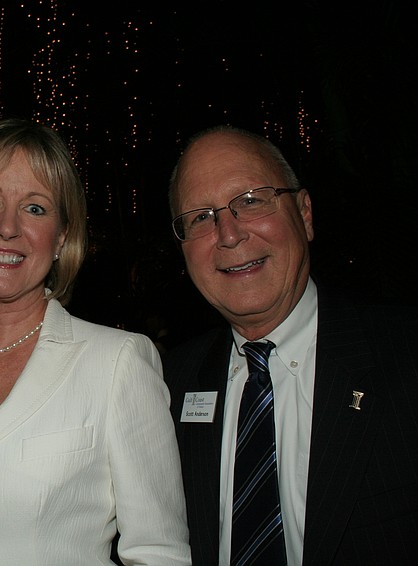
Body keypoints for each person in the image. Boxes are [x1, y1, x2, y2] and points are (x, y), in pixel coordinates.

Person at [0, 118, 191, 565]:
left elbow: (157, 554)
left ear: (62, 238)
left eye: (35, 209)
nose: (7, 227)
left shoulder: (118, 362)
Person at [162, 124, 418, 565]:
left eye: (250, 200)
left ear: (305, 214)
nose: (228, 233)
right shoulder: (165, 386)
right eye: (201, 217)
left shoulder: (405, 354)